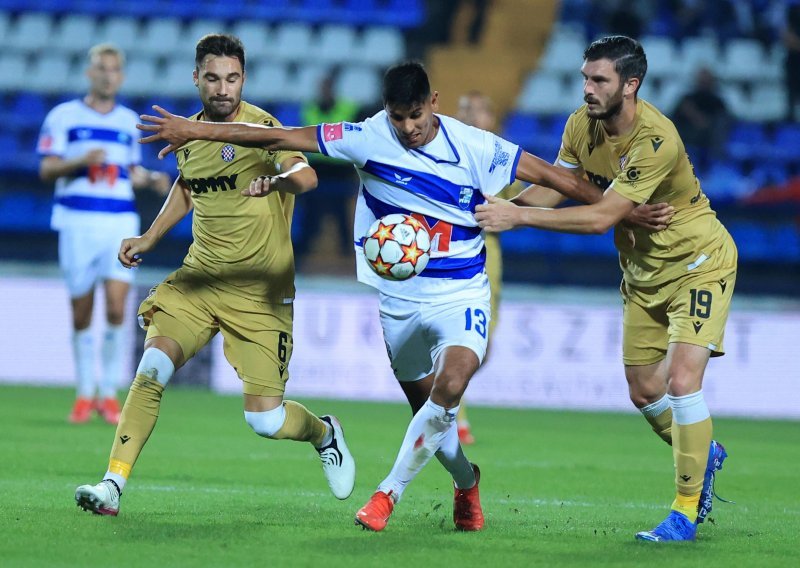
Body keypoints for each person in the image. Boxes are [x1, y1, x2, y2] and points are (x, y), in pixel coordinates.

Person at [136, 60, 667, 533]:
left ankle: (386, 495)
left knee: (452, 383)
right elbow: (281, 139)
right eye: (398, 118)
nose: (409, 128)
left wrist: (627, 207)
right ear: (385, 113)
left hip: (461, 293)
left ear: (433, 103)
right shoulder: (366, 137)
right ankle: (467, 482)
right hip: (399, 303)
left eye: (416, 115)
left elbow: (557, 176)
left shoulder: (475, 146)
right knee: (432, 418)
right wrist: (191, 129)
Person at [74, 34, 355, 517]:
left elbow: (308, 176)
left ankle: (325, 433)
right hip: (200, 279)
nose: (222, 89)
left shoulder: (263, 127)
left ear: (243, 80)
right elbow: (189, 185)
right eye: (212, 78)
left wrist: (280, 180)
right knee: (151, 369)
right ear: (196, 79)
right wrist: (150, 237)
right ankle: (112, 485)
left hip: (261, 290)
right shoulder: (188, 134)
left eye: (231, 79)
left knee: (264, 420)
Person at [475, 35, 736, 542]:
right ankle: (705, 450)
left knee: (683, 382)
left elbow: (598, 219)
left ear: (630, 85)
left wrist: (517, 217)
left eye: (599, 80)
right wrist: (493, 210)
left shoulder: (656, 139)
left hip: (698, 263)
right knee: (644, 390)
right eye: (584, 78)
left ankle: (684, 511)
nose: (588, 89)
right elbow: (558, 183)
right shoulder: (581, 124)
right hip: (642, 273)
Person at [37, 43, 171, 425]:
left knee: (116, 307)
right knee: (81, 311)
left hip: (118, 224)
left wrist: (153, 180)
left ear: (121, 76)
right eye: (101, 68)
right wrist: (80, 160)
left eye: (114, 69)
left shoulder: (129, 121)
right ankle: (84, 393)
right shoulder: (64, 116)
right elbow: (46, 170)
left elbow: (129, 172)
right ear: (90, 73)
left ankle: (109, 394)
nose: (108, 75)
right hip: (76, 221)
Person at [452, 90, 523, 445]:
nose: (466, 115)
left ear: (491, 118)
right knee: (456, 335)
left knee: (484, 345)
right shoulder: (444, 148)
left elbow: (518, 204)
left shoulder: (502, 155)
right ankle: (454, 415)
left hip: (487, 250)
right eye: (463, 108)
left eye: (475, 110)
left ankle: (450, 401)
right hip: (449, 246)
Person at [295, 70, 360, 265]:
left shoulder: (348, 108)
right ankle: (302, 259)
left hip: (341, 171)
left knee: (342, 218)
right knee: (310, 217)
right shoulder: (309, 108)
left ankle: (347, 261)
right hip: (317, 169)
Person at [670, 66, 731, 165]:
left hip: (710, 138)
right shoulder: (686, 99)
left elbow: (723, 121)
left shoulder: (717, 101)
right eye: (702, 79)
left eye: (707, 80)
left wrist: (700, 119)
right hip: (688, 136)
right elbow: (673, 118)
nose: (704, 82)